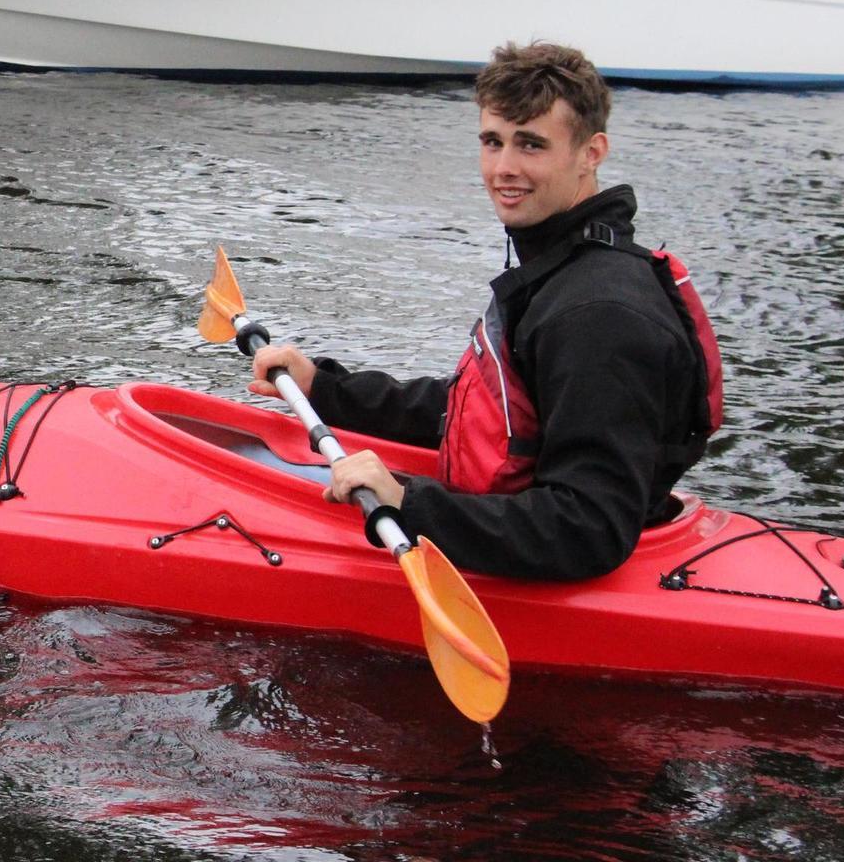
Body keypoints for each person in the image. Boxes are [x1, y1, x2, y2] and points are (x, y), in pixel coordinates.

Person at [250, 43, 721, 581]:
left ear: (592, 152)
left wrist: (409, 504)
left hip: (576, 562)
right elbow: (483, 419)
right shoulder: (561, 270)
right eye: (492, 142)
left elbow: (590, 528)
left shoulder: (597, 313)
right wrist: (326, 389)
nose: (503, 168)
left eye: (531, 145)